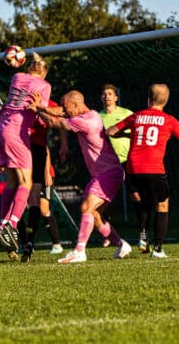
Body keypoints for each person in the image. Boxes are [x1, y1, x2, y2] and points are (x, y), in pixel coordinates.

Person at [106, 84, 179, 258]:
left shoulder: (136, 116)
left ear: (149, 98)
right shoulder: (169, 120)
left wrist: (126, 135)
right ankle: (158, 249)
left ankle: (142, 236)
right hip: (153, 168)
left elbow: (110, 131)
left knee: (145, 202)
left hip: (132, 168)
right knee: (162, 204)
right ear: (166, 100)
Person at [32, 90, 132, 264]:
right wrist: (40, 106)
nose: (65, 110)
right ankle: (121, 244)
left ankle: (79, 251)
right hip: (104, 174)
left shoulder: (86, 121)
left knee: (86, 207)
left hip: (108, 173)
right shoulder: (88, 113)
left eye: (67, 107)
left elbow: (54, 122)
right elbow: (60, 112)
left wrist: (37, 109)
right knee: (94, 214)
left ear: (77, 105)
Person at [0, 52, 51, 260]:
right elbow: (40, 111)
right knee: (26, 183)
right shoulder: (44, 86)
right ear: (43, 71)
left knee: (11, 181)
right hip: (17, 132)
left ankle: (2, 223)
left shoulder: (17, 77)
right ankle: (13, 223)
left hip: (0, 131)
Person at [98, 83, 149, 251]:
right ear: (101, 97)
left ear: (116, 97)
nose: (107, 97)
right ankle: (108, 235)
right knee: (104, 201)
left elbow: (138, 131)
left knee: (136, 197)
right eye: (104, 94)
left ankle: (142, 234)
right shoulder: (97, 117)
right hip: (107, 164)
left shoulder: (126, 114)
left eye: (110, 94)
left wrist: (119, 132)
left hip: (127, 160)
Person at [19, 99, 67, 262]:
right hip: (25, 168)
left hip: (44, 171)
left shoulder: (48, 106)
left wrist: (47, 172)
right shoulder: (20, 105)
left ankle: (56, 243)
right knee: (20, 206)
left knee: (43, 208)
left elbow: (61, 119)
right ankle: (24, 244)